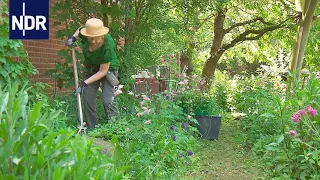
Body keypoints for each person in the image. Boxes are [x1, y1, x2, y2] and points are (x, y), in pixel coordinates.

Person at [66, 18, 120, 130]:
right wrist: (72, 38)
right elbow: (80, 30)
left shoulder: (108, 44)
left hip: (108, 70)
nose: (94, 41)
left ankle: (116, 128)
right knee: (88, 99)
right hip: (90, 69)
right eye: (91, 38)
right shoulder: (86, 32)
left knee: (107, 100)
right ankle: (92, 130)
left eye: (97, 38)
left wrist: (84, 83)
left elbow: (102, 71)